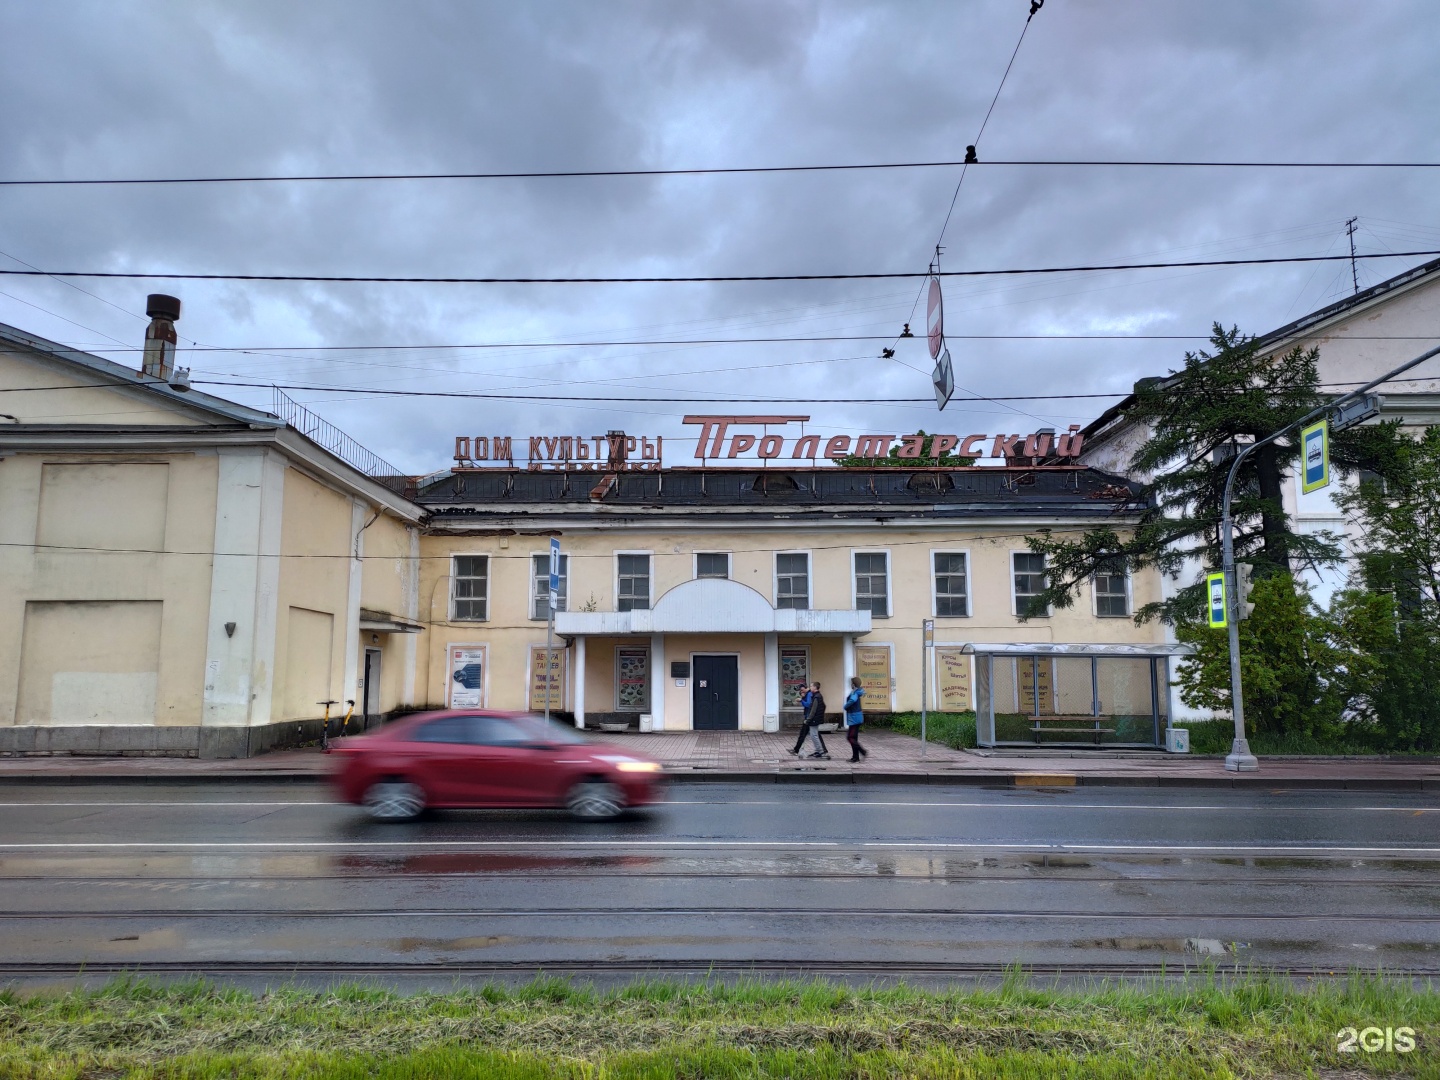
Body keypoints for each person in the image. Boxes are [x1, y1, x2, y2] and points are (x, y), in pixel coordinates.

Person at [790, 681, 828, 758]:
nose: (801, 692)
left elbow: (810, 707)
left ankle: (820, 751)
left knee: (812, 735)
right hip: (811, 717)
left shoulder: (813, 695)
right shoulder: (813, 695)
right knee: (812, 734)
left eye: (801, 690)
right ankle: (821, 750)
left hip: (811, 718)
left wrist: (801, 700)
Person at [843, 676, 868, 763]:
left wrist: (845, 706)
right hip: (857, 717)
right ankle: (855, 757)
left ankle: (863, 752)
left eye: (851, 683)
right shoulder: (857, 691)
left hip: (854, 718)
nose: (850, 685)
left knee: (850, 737)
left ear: (853, 684)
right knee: (854, 738)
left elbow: (852, 700)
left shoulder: (855, 693)